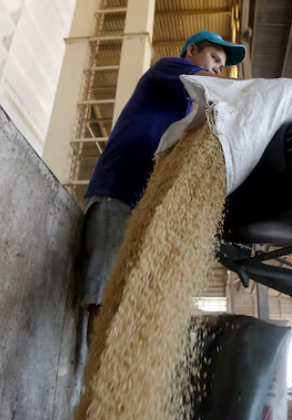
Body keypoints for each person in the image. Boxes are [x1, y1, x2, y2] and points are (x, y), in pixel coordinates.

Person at [80, 31, 246, 342]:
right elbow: (219, 89)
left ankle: (111, 373)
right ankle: (96, 378)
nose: (217, 68)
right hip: (117, 192)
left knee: (129, 298)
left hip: (144, 208)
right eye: (214, 58)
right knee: (105, 297)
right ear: (192, 50)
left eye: (222, 66)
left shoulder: (188, 111)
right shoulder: (168, 69)